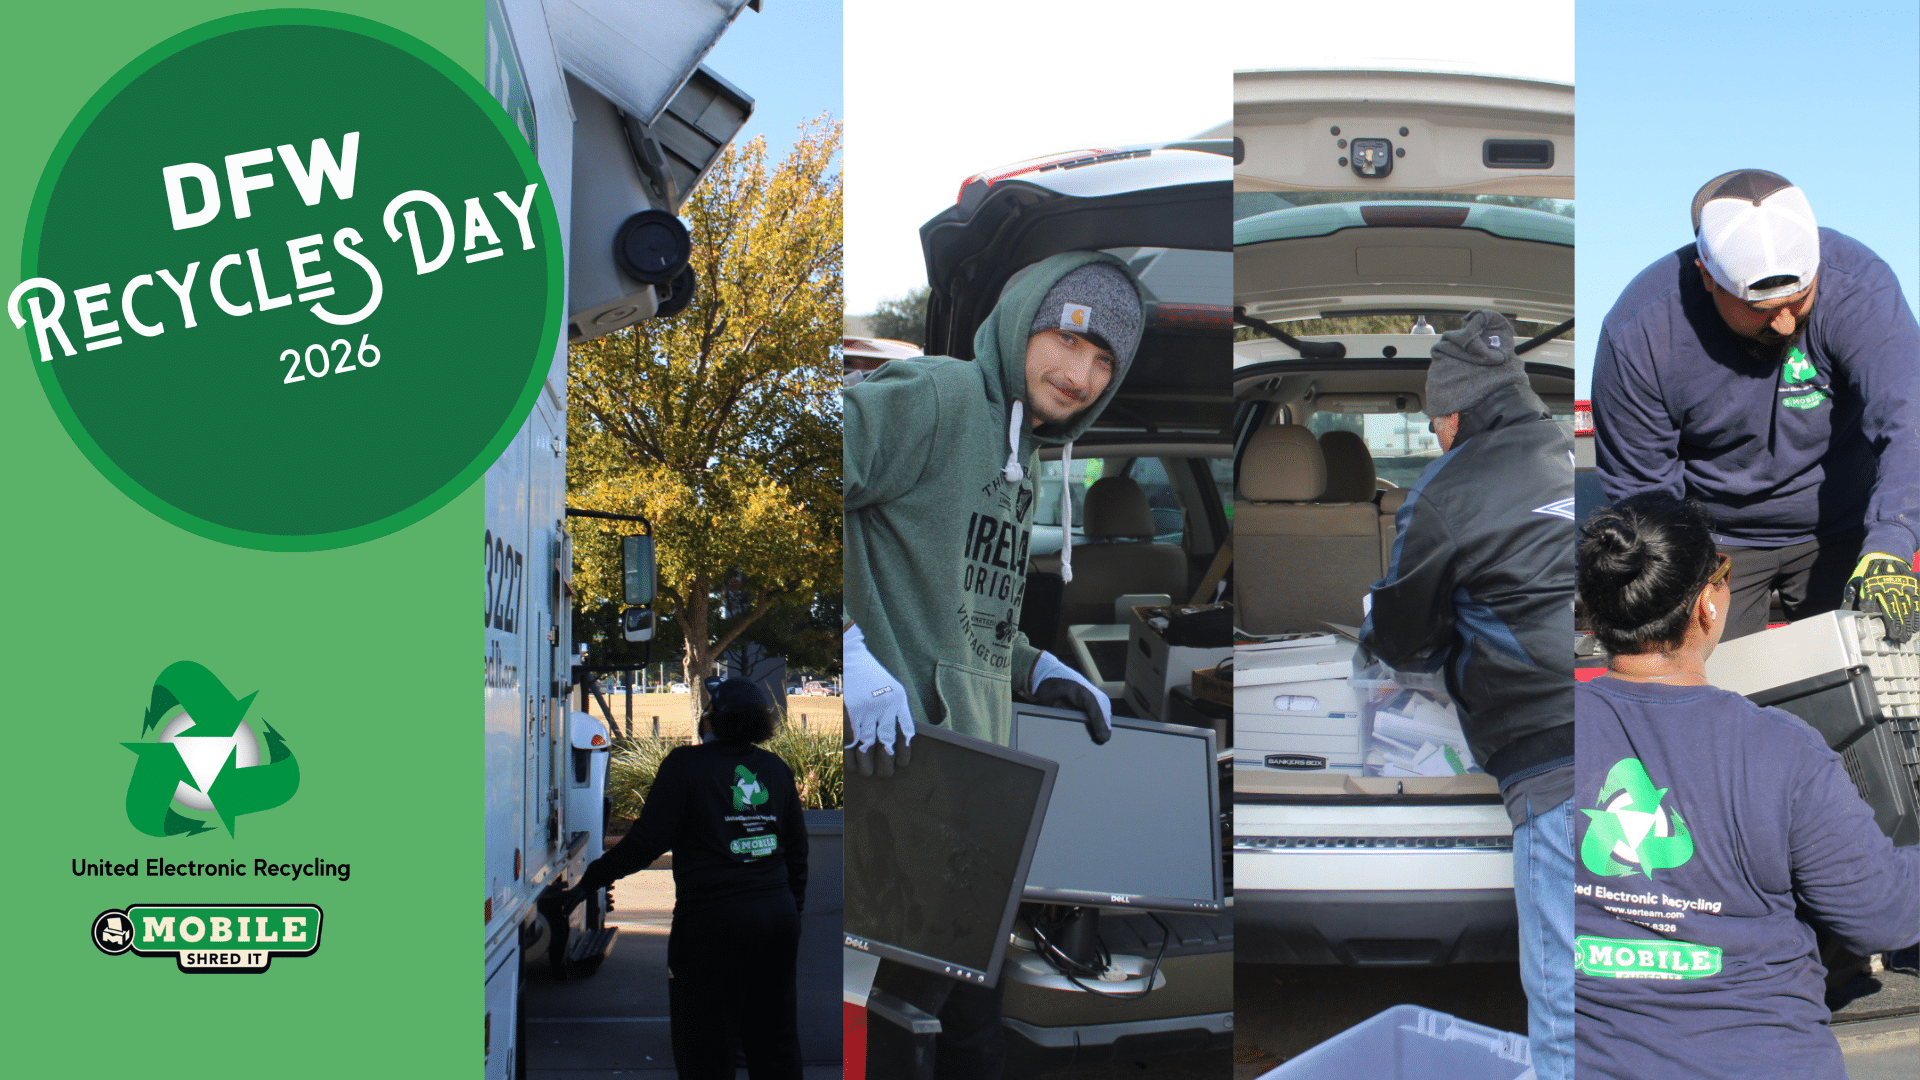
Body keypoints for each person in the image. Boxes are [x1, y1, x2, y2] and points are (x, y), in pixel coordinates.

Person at [840, 251, 1145, 1078]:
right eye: (1068, 339)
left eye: (1104, 360)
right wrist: (846, 652)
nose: (1080, 374)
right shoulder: (937, 399)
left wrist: (1040, 668)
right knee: (894, 1036)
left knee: (968, 1034)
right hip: (897, 791)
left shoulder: (1029, 454)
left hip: (971, 803)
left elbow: (973, 617)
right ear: (1021, 324)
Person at [1573, 492, 1918, 1080]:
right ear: (1708, 604)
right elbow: (1881, 917)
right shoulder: (1783, 751)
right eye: (1725, 574)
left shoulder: (1547, 736)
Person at [1360, 309, 1575, 1079]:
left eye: (1433, 425)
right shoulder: (1580, 455)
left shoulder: (1447, 490)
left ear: (1454, 414)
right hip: (1634, 731)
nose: (1435, 440)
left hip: (1547, 761)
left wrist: (1376, 626)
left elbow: (1403, 640)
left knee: (1564, 1001)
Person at [1591, 168, 1920, 643]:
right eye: (1762, 311)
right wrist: (1688, 574)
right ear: (1707, 277)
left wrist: (1891, 544)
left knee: (1875, 684)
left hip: (1842, 524)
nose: (1785, 325)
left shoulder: (1860, 289)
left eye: (1799, 301)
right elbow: (1646, 492)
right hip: (1717, 542)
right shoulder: (1641, 335)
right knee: (1717, 695)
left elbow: (1908, 420)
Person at [556, 678, 808, 1080]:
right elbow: (796, 851)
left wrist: (591, 880)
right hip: (775, 919)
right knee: (774, 1040)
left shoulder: (686, 766)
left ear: (714, 720)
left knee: (705, 1045)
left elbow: (645, 842)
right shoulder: (775, 770)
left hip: (712, 922)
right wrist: (789, 910)